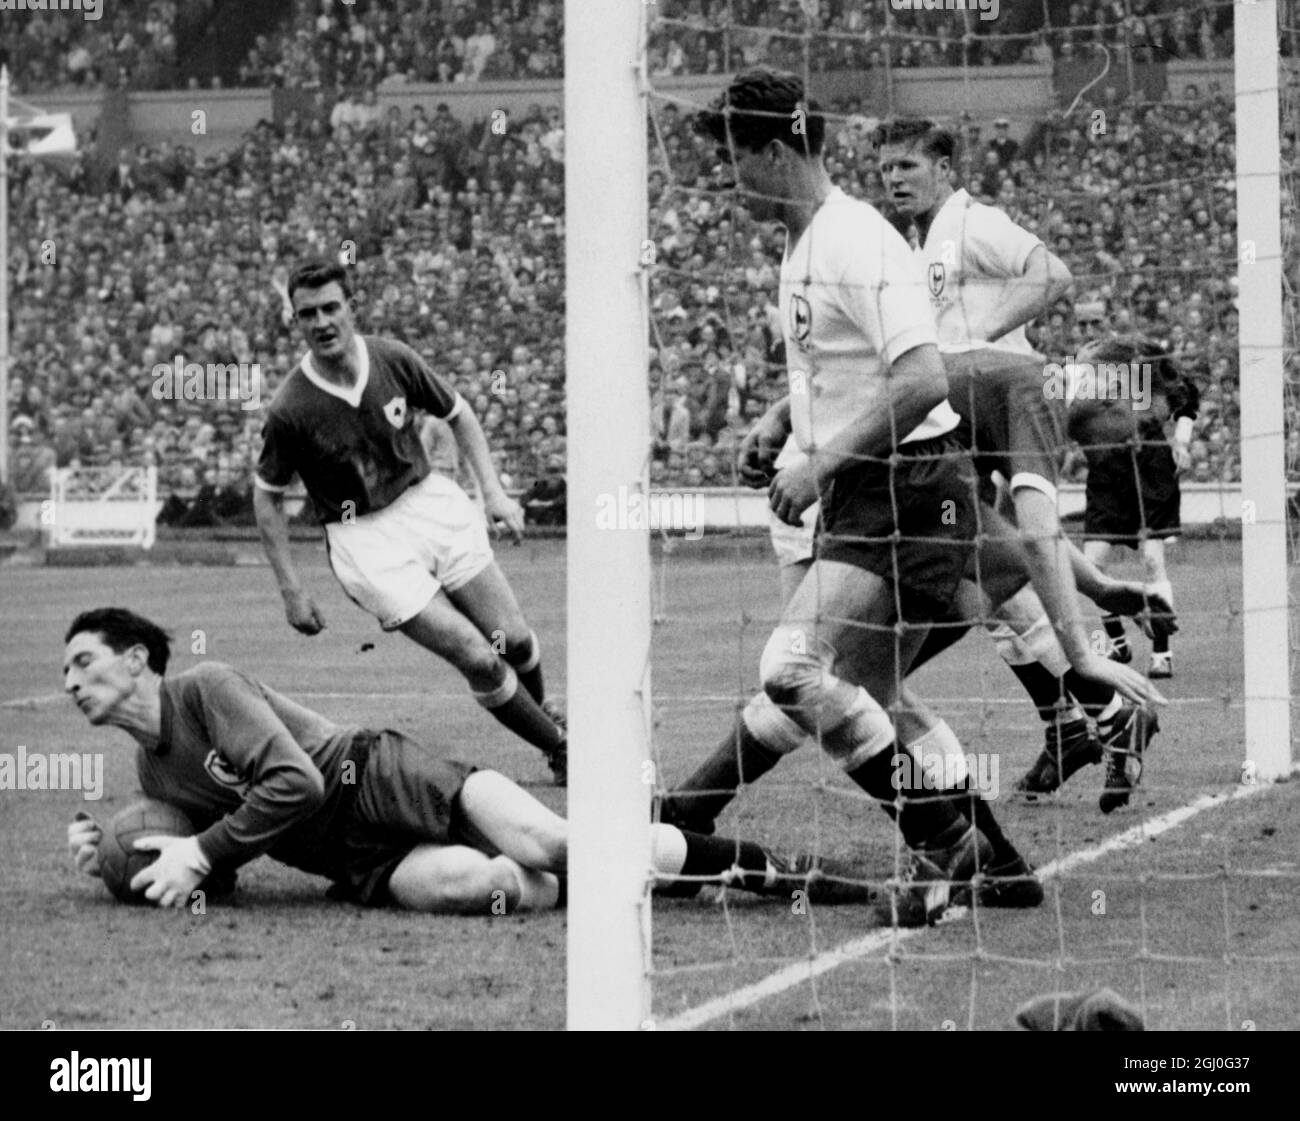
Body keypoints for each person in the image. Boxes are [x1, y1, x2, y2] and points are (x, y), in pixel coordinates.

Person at [686, 69, 1040, 926]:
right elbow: (852, 367)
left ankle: (944, 843)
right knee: (877, 696)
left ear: (775, 151)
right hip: (874, 487)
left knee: (792, 668)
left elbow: (920, 379)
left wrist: (820, 465)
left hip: (908, 486)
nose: (727, 177)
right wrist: (783, 422)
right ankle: (995, 863)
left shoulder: (854, 238)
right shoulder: (807, 242)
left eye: (735, 158)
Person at [62, 608, 889, 914]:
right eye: (66, 672)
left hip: (370, 773)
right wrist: (135, 851)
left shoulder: (205, 686)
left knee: (556, 845)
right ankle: (614, 862)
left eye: (85, 661)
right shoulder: (152, 778)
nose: (72, 681)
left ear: (138, 658)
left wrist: (199, 848)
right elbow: (232, 856)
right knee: (493, 884)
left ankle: (798, 875)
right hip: (347, 859)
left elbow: (295, 782)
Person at [252, 260, 567, 785]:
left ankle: (548, 737)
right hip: (365, 540)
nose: (323, 321)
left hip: (427, 503)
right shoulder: (290, 407)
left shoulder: (392, 359)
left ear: (352, 306)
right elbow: (266, 498)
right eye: (309, 314)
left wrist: (492, 491)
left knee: (509, 639)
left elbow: (459, 413)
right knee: (477, 656)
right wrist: (291, 591)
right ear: (296, 322)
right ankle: (561, 747)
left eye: (332, 307)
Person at [1073, 334, 1198, 680]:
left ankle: (1162, 653)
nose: (1088, 327)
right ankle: (1116, 643)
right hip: (1106, 476)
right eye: (1084, 324)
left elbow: (1187, 399)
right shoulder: (1078, 371)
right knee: (1091, 565)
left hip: (1150, 471)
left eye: (1094, 324)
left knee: (1152, 560)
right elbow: (1056, 408)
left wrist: (1182, 442)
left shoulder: (1146, 367)